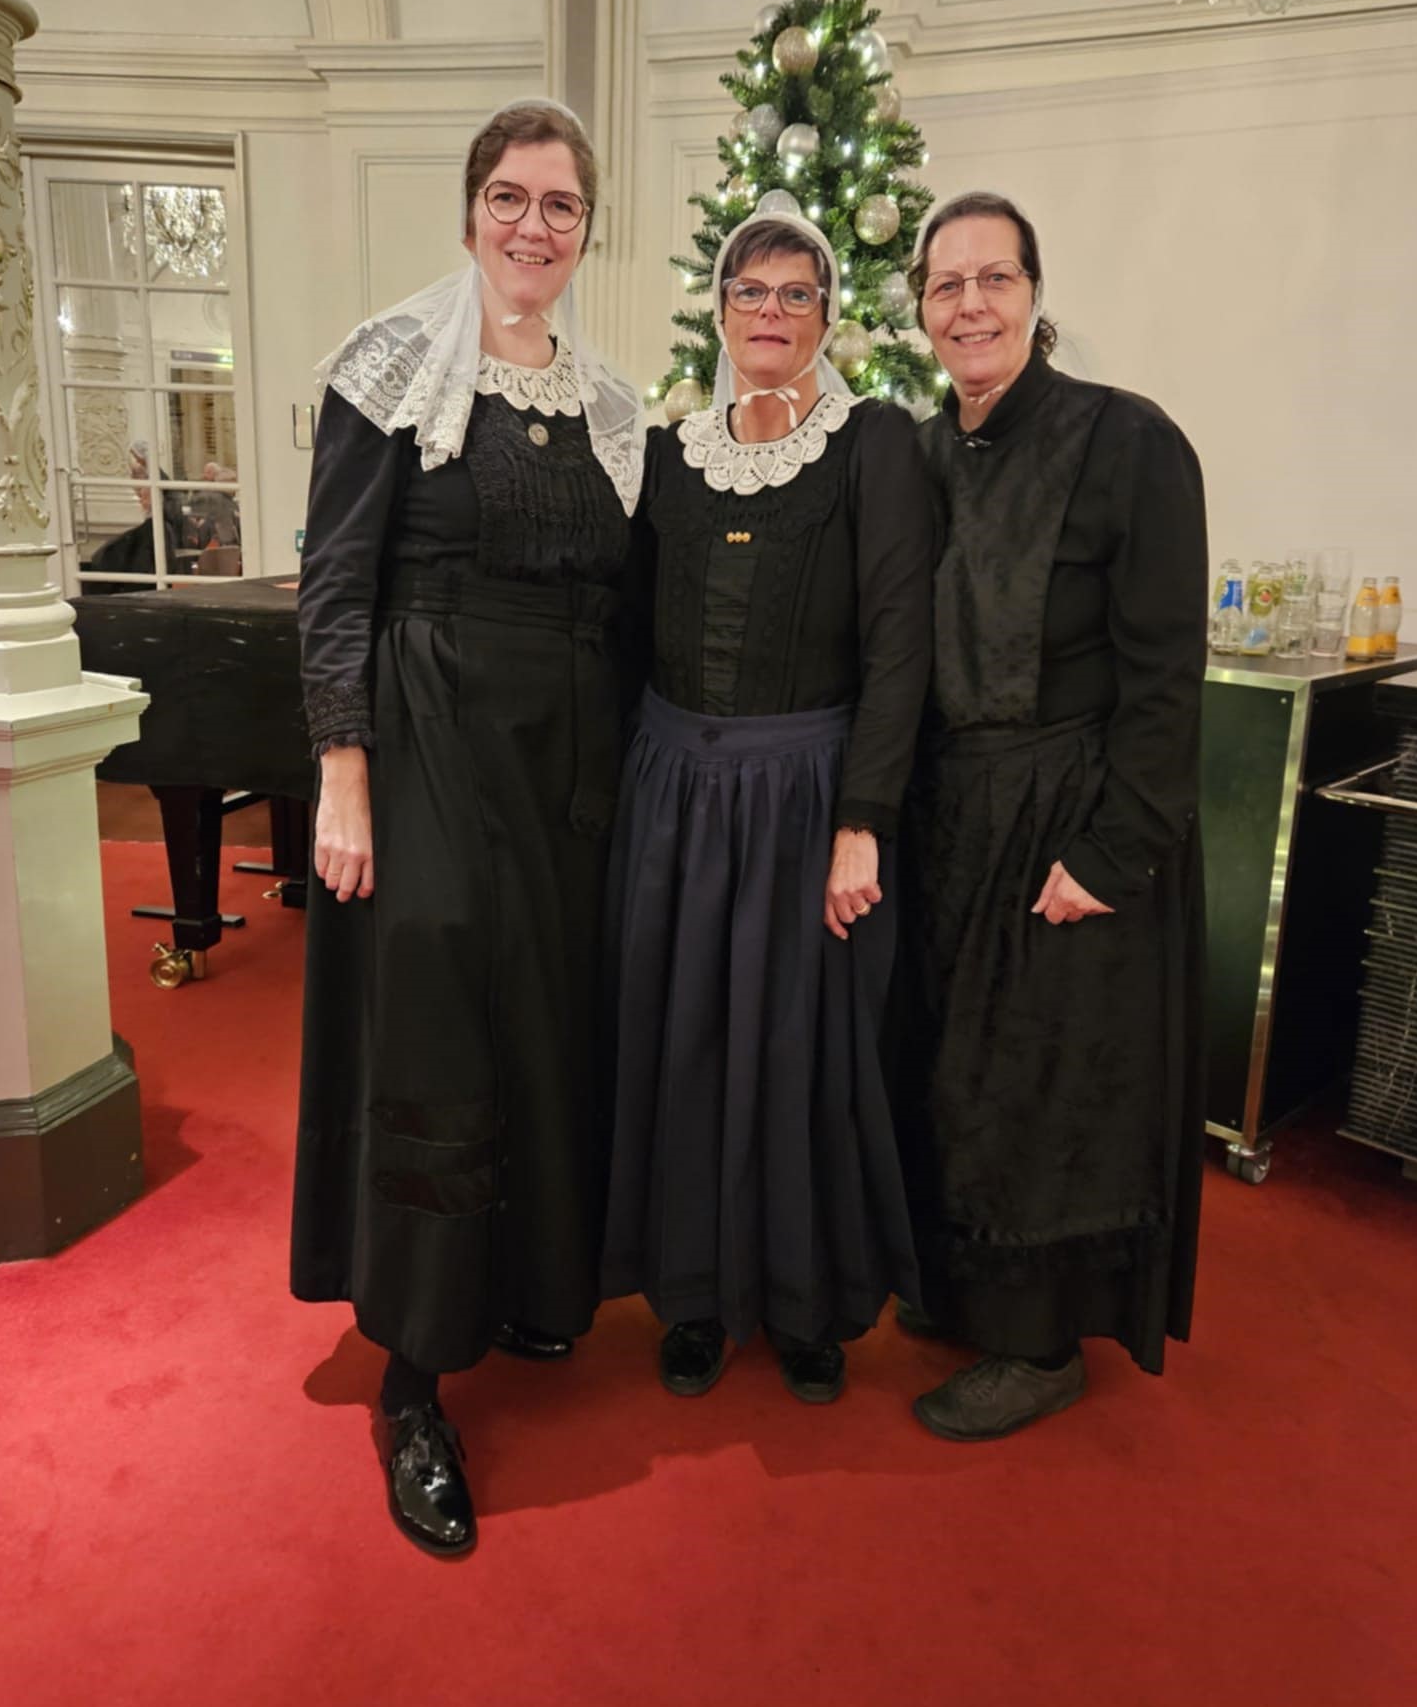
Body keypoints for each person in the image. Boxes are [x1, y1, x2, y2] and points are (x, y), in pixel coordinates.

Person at [291, 99, 644, 1555]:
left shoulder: (612, 405)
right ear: (468, 211)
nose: (533, 225)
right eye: (511, 197)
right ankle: (415, 1379)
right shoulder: (388, 372)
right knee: (437, 1030)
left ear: (586, 231)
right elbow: (335, 587)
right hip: (428, 734)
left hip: (571, 762)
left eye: (561, 204)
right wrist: (343, 773)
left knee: (546, 1028)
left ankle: (523, 1286)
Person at [601, 197, 934, 1405]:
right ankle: (692, 1298)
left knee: (804, 1052)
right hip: (676, 794)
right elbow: (627, 633)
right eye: (752, 292)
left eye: (798, 294)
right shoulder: (667, 453)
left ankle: (803, 1302)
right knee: (681, 1042)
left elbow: (903, 645)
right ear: (719, 307)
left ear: (830, 313)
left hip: (807, 800)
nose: (772, 313)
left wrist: (864, 818)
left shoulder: (875, 442)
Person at [898, 190, 1207, 1441]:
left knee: (1049, 1080)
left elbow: (1166, 671)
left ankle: (1040, 1343)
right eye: (946, 283)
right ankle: (974, 1288)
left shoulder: (1126, 442)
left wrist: (1114, 846)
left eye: (995, 278)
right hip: (955, 812)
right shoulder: (919, 453)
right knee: (960, 1069)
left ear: (1035, 294)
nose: (971, 302)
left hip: (1074, 811)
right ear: (919, 310)